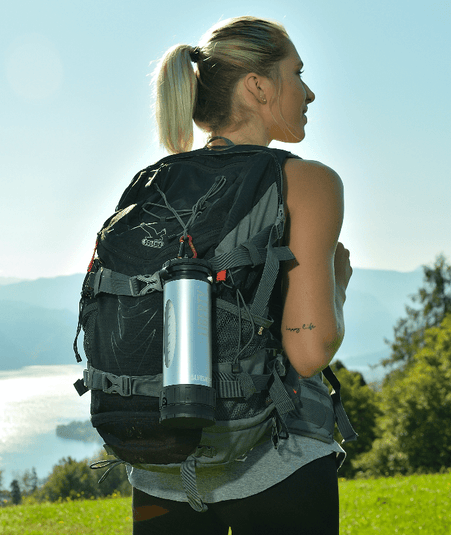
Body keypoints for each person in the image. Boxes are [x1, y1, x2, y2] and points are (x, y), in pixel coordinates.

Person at [125, 15, 352, 535]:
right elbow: (310, 350)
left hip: (161, 469)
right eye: (297, 73)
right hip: (276, 463)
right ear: (258, 86)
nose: (309, 92)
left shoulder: (152, 185)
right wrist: (337, 280)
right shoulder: (306, 181)